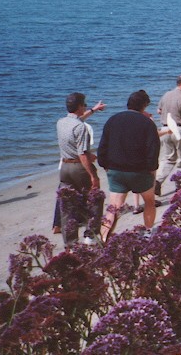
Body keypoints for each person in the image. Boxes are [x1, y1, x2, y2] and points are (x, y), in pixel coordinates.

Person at [98, 90, 161, 240]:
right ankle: (147, 232)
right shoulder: (147, 123)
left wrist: (104, 165)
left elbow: (103, 147)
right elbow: (153, 149)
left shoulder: (112, 120)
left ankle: (103, 239)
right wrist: (152, 169)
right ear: (144, 105)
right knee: (149, 202)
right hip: (140, 171)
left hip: (116, 171)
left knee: (113, 209)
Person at [56, 93, 105, 247]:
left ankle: (70, 243)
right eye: (84, 105)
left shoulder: (61, 122)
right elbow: (82, 153)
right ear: (79, 107)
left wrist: (94, 110)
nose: (85, 107)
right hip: (78, 167)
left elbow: (78, 120)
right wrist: (93, 175)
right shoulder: (81, 127)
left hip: (64, 167)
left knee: (67, 205)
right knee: (95, 200)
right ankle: (90, 236)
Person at [155, 74, 181, 197]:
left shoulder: (166, 94)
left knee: (169, 158)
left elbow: (159, 110)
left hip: (165, 129)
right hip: (178, 129)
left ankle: (158, 181)